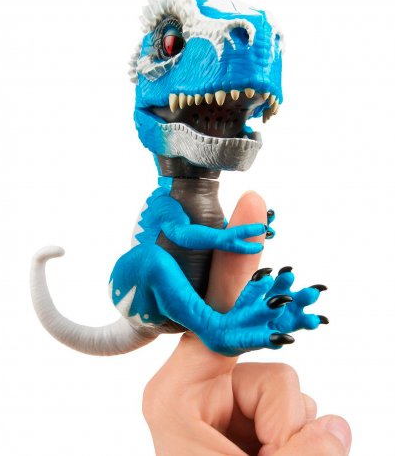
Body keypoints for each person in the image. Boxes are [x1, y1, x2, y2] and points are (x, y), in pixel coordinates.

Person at [143, 192, 352, 455]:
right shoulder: (168, 199)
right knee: (155, 261)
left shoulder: (194, 193)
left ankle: (265, 316)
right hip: (140, 292)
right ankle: (220, 329)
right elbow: (178, 232)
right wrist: (219, 238)